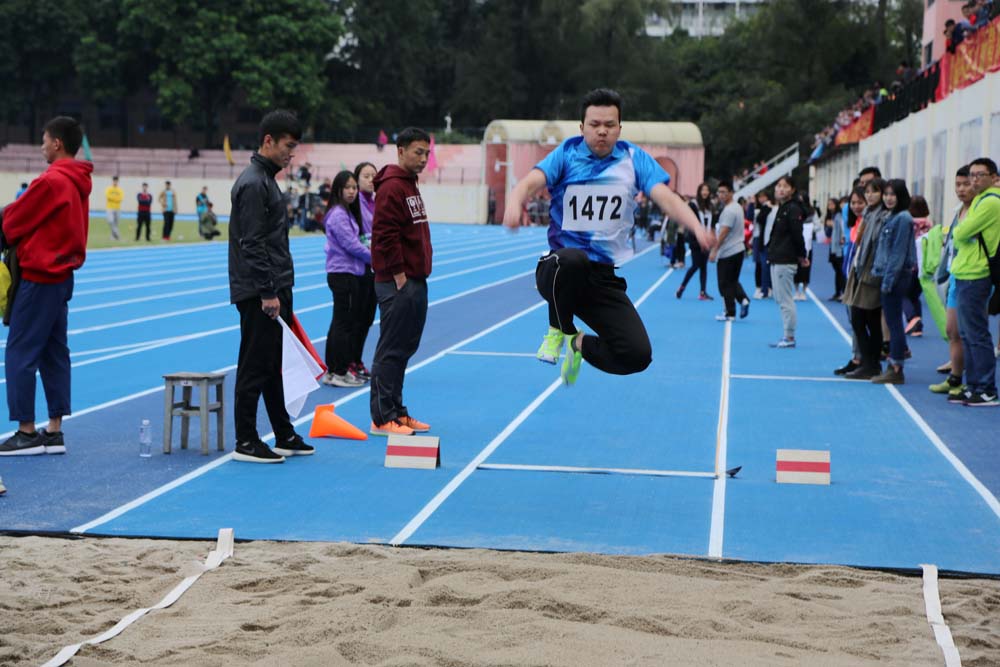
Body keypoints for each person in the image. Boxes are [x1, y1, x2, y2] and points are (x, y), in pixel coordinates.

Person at [503, 88, 713, 385]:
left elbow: (666, 198)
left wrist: (697, 227)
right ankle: (557, 330)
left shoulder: (633, 159)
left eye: (609, 125)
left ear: (619, 129)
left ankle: (576, 342)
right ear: (582, 127)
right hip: (558, 271)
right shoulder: (566, 153)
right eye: (595, 124)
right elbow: (528, 183)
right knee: (573, 259)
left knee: (637, 355)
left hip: (601, 279)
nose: (602, 131)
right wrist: (514, 203)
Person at [0, 117, 91, 456]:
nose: (41, 146)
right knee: (54, 352)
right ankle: (54, 430)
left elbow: (14, 220)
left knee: (20, 351)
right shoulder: (78, 181)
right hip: (62, 276)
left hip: (40, 276)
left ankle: (26, 432)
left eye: (44, 140)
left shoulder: (51, 180)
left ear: (57, 143)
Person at [228, 110, 313, 463]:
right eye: (288, 146)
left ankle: (283, 433)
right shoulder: (253, 183)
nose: (291, 154)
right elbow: (252, 243)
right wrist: (267, 291)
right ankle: (246, 439)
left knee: (274, 363)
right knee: (255, 363)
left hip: (274, 285)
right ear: (268, 141)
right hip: (259, 291)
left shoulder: (266, 179)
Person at [369, 127, 434, 436]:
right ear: (400, 151)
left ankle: (396, 410)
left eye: (426, 153)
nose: (423, 159)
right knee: (391, 349)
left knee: (405, 348)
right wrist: (399, 277)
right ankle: (382, 417)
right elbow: (384, 235)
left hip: (414, 279)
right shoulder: (392, 187)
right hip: (397, 282)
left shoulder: (409, 184)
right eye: (418, 152)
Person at [950, 157, 1000, 406]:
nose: (974, 179)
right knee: (967, 334)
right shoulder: (980, 200)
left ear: (994, 178)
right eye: (972, 175)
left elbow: (960, 232)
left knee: (977, 334)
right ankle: (973, 385)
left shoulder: (991, 202)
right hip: (966, 272)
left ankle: (987, 388)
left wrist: (962, 231)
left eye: (980, 174)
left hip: (976, 274)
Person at [321, 170, 370, 388]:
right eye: (347, 187)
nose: (352, 191)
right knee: (344, 324)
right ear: (338, 190)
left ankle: (334, 370)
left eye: (354, 188)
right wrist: (376, 258)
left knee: (340, 322)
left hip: (347, 272)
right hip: (343, 273)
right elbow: (352, 245)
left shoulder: (345, 212)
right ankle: (339, 371)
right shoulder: (339, 214)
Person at [930, 167, 974, 398]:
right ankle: (955, 377)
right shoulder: (958, 211)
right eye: (958, 185)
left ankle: (975, 383)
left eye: (966, 184)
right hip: (955, 275)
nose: (961, 189)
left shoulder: (979, 210)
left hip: (973, 276)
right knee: (952, 330)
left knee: (970, 332)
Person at [842, 179, 891, 378]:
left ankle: (871, 363)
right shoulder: (868, 215)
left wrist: (875, 272)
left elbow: (880, 246)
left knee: (867, 319)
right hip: (860, 269)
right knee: (860, 319)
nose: (870, 195)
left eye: (874, 192)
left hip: (871, 272)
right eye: (868, 192)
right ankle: (867, 362)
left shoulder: (883, 217)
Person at [870, 180, 916, 385]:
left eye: (893, 195)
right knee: (892, 321)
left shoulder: (903, 218)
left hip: (896, 277)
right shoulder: (891, 216)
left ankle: (896, 367)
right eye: (886, 194)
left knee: (894, 322)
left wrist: (888, 282)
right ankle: (897, 358)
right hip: (889, 274)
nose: (888, 198)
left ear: (901, 196)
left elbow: (898, 254)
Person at [765, 176, 809, 348]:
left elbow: (797, 234)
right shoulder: (783, 208)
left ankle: (789, 336)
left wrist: (802, 255)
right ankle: (787, 335)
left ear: (792, 190)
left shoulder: (793, 209)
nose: (781, 189)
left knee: (785, 299)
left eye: (785, 186)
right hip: (777, 257)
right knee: (779, 298)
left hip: (785, 259)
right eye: (778, 186)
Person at [351, 161, 378, 381]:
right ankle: (349, 361)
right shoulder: (355, 204)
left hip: (376, 269)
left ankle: (357, 359)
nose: (371, 180)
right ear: (357, 179)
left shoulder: (377, 202)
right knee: (356, 318)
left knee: (367, 318)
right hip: (360, 268)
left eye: (373, 176)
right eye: (366, 176)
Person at [709, 180, 750, 321]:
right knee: (732, 281)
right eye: (719, 192)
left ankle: (729, 312)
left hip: (729, 251)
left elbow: (724, 232)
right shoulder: (737, 207)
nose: (721, 195)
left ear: (731, 193)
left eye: (724, 192)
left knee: (724, 283)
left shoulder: (729, 211)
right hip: (738, 249)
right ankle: (743, 299)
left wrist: (714, 250)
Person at [676, 183, 715, 300]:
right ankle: (682, 287)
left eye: (707, 190)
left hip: (706, 240)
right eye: (703, 190)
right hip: (695, 240)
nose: (705, 192)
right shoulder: (693, 204)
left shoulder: (710, 206)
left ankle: (703, 292)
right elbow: (690, 221)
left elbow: (713, 223)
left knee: (704, 267)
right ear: (699, 192)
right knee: (695, 265)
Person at [827, 197, 846, 300]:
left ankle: (843, 292)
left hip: (839, 247)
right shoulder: (832, 216)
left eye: (832, 204)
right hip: (833, 247)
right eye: (828, 204)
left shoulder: (839, 216)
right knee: (837, 271)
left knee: (841, 270)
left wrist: (843, 238)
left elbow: (843, 228)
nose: (830, 206)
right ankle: (838, 292)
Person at [104, 175, 123, 241]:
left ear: (118, 181)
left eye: (116, 181)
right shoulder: (109, 189)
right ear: (113, 181)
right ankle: (118, 235)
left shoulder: (120, 190)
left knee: (116, 223)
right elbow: (108, 197)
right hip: (110, 207)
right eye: (114, 181)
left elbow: (120, 198)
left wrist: (113, 198)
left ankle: (113, 237)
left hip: (117, 208)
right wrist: (115, 198)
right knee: (111, 221)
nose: (115, 182)